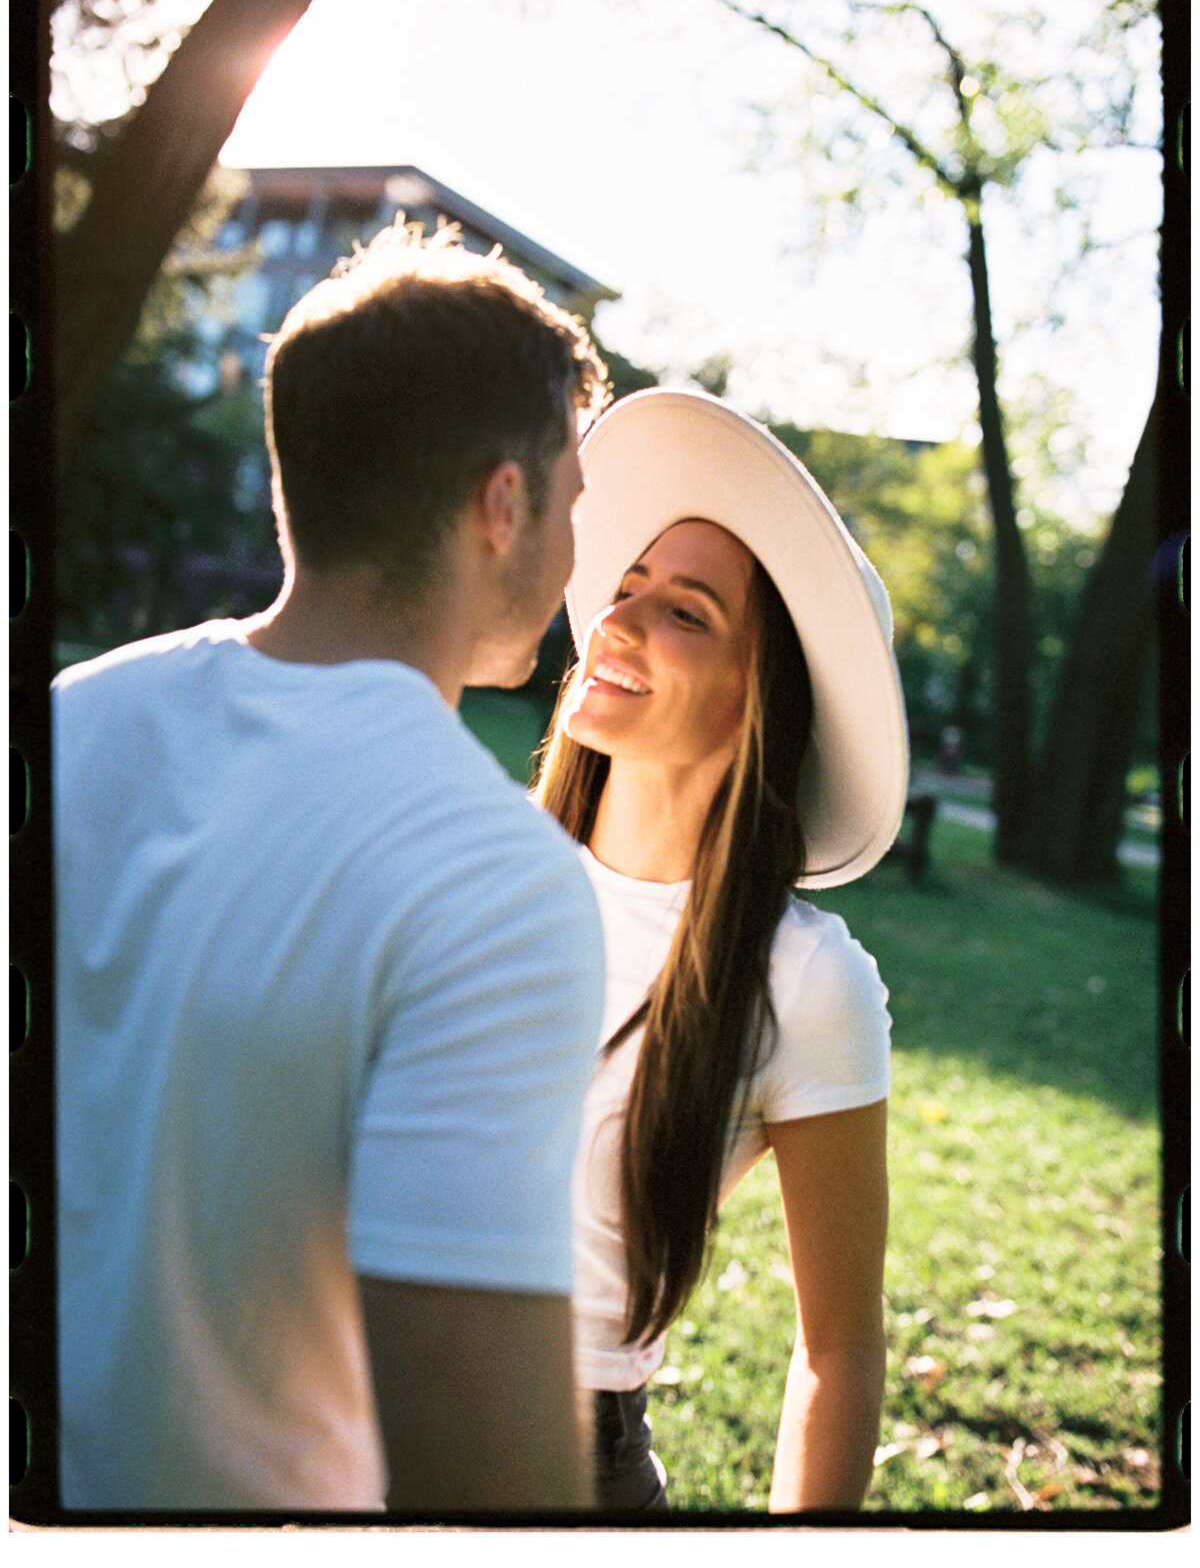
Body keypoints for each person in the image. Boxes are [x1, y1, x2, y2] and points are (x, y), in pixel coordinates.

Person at [53, 220, 610, 1513]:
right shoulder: (492, 881)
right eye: (573, 502)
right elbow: (490, 1484)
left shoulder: (65, 722)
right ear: (505, 501)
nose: (580, 560)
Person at [534, 387, 909, 1512]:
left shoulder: (803, 980)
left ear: (762, 694)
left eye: (685, 611)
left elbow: (839, 1348)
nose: (614, 620)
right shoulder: (479, 864)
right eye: (628, 587)